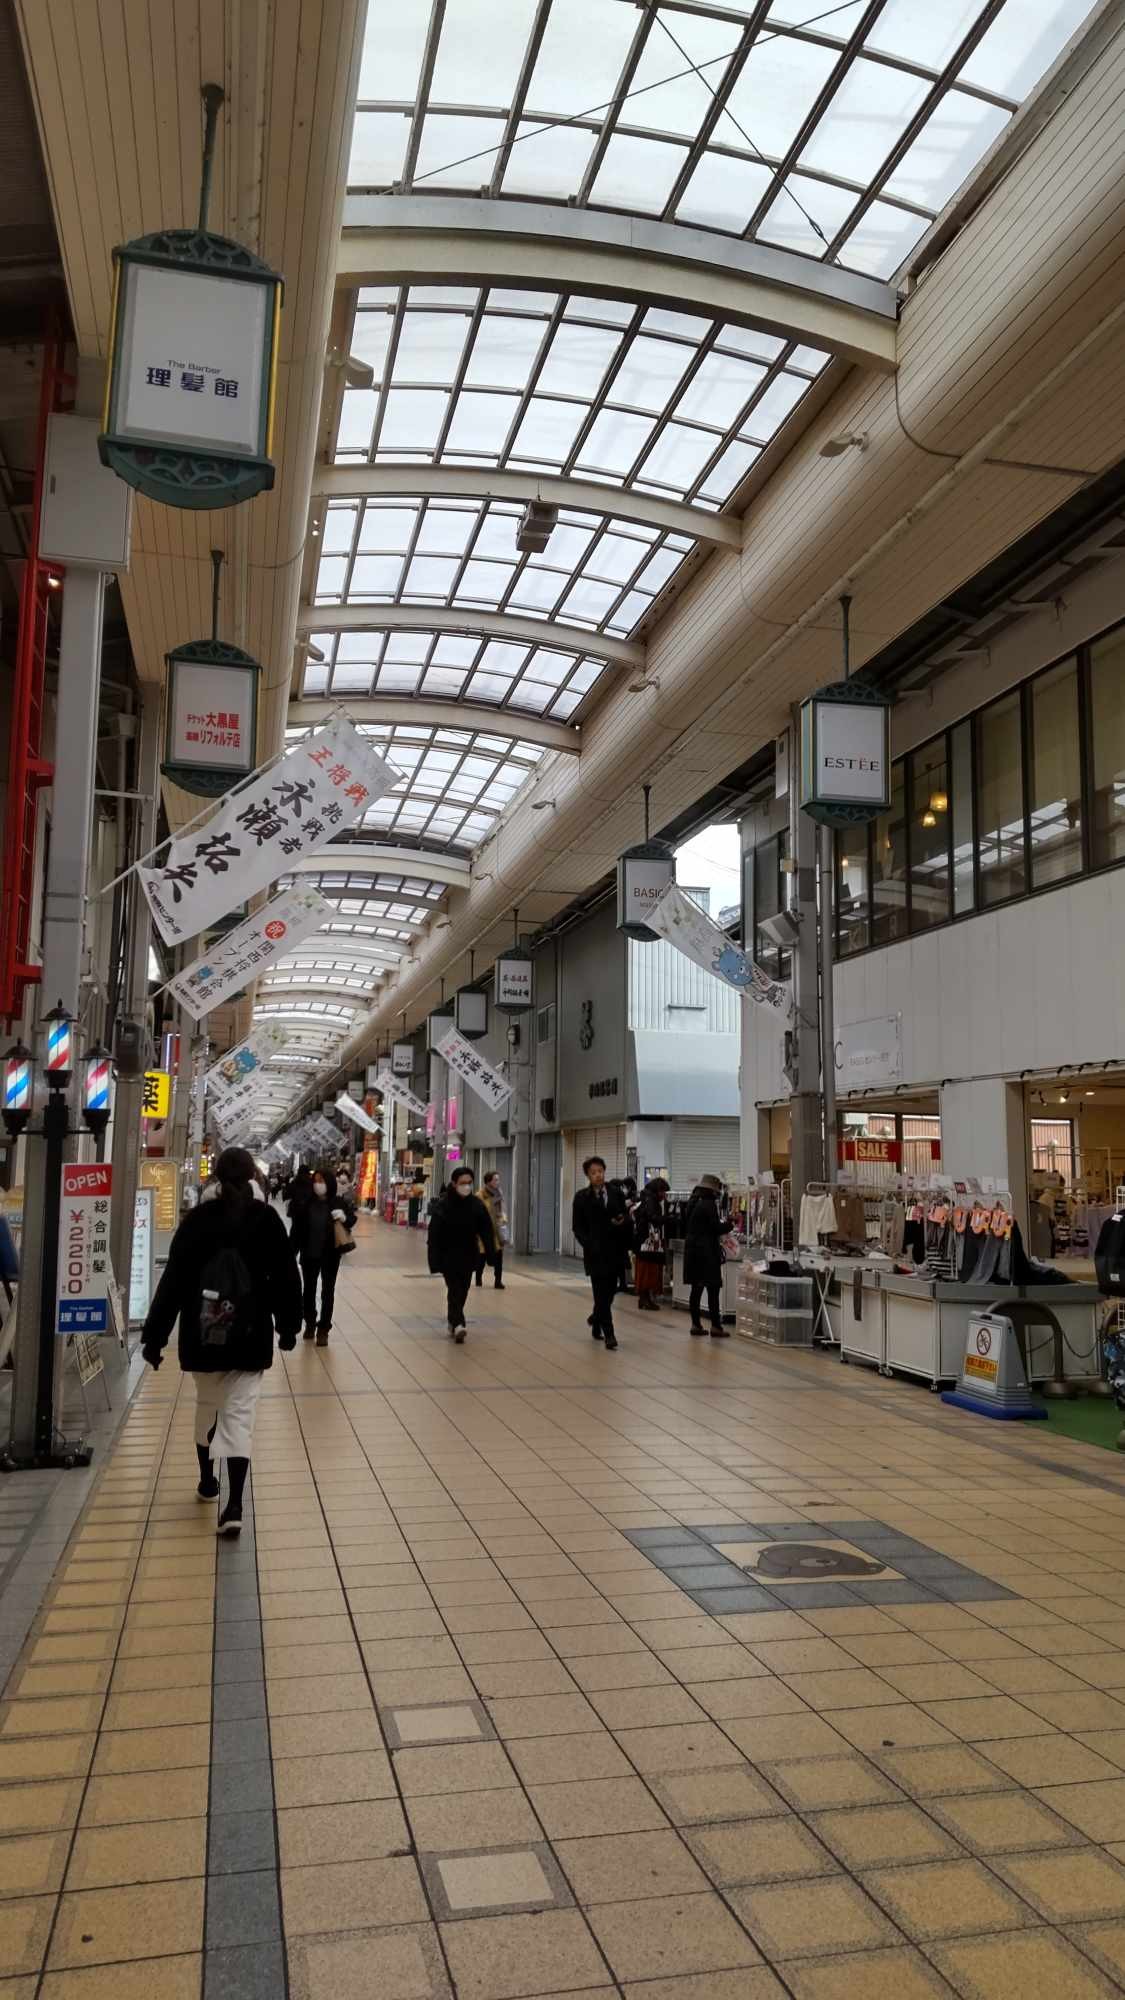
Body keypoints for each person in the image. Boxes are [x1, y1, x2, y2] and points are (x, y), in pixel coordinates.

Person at [140, 1147, 301, 1534]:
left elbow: (174, 1282)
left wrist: (155, 1337)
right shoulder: (266, 1220)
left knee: (208, 1406)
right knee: (239, 1418)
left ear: (214, 1178)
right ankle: (234, 1506)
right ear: (252, 1178)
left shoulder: (197, 1221)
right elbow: (285, 1276)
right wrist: (290, 1326)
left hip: (203, 1334)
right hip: (250, 1335)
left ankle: (207, 1482)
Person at [288, 1167, 357, 1346]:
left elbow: (351, 1219)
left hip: (330, 1254)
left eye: (321, 1181)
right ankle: (310, 1323)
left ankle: (324, 1328)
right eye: (316, 1181)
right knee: (308, 1291)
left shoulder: (337, 1203)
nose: (318, 1185)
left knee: (328, 1291)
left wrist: (343, 1217)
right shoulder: (306, 1203)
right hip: (309, 1254)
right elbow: (296, 1230)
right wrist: (290, 1252)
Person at [427, 1167, 494, 1341]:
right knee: (454, 1288)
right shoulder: (444, 1205)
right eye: (463, 1183)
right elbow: (434, 1235)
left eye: (469, 1183)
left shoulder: (476, 1205)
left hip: (469, 1255)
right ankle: (459, 1324)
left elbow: (486, 1230)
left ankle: (452, 1320)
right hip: (448, 1256)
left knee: (462, 1290)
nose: (466, 1186)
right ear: (454, 1183)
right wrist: (434, 1260)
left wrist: (490, 1253)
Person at [572, 1156, 628, 1350]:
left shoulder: (615, 1193)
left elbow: (625, 1216)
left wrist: (621, 1222)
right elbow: (577, 1227)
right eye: (593, 1172)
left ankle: (596, 1319)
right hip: (595, 1252)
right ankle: (609, 1334)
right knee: (600, 1292)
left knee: (610, 1291)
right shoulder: (581, 1197)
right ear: (588, 1175)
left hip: (614, 1250)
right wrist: (587, 1243)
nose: (598, 1175)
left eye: (600, 1171)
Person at [684, 1175, 728, 1337]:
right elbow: (715, 1228)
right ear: (712, 1191)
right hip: (707, 1253)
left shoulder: (694, 1202)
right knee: (713, 1289)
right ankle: (716, 1326)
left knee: (696, 1289)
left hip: (694, 1252)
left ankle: (695, 1324)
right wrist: (730, 1224)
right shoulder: (708, 1204)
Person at [633, 1178, 669, 1312]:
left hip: (642, 1242)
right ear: (657, 1190)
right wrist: (668, 1218)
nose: (664, 1195)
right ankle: (645, 1299)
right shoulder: (651, 1201)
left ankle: (644, 1298)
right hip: (648, 1243)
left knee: (644, 1270)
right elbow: (653, 1218)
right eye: (663, 1191)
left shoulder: (644, 1198)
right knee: (649, 1270)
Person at [480, 1171, 508, 1289]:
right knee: (481, 1257)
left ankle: (498, 1280)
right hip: (485, 1231)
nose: (498, 1182)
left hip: (497, 1230)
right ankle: (478, 1277)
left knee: (499, 1256)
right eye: (495, 1180)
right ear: (488, 1181)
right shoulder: (481, 1195)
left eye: (498, 1179)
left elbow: (503, 1209)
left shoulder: (499, 1193)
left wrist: (504, 1220)